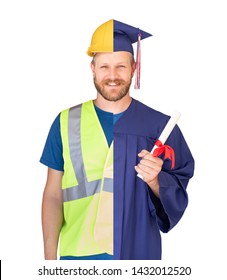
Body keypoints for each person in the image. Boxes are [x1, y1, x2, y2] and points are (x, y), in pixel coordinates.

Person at [40, 19, 194, 260]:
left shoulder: (160, 128)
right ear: (93, 69)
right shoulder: (65, 122)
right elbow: (52, 195)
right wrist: (49, 263)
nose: (113, 76)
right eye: (104, 67)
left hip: (137, 257)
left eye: (121, 66)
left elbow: (178, 197)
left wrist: (156, 180)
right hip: (78, 258)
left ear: (134, 68)